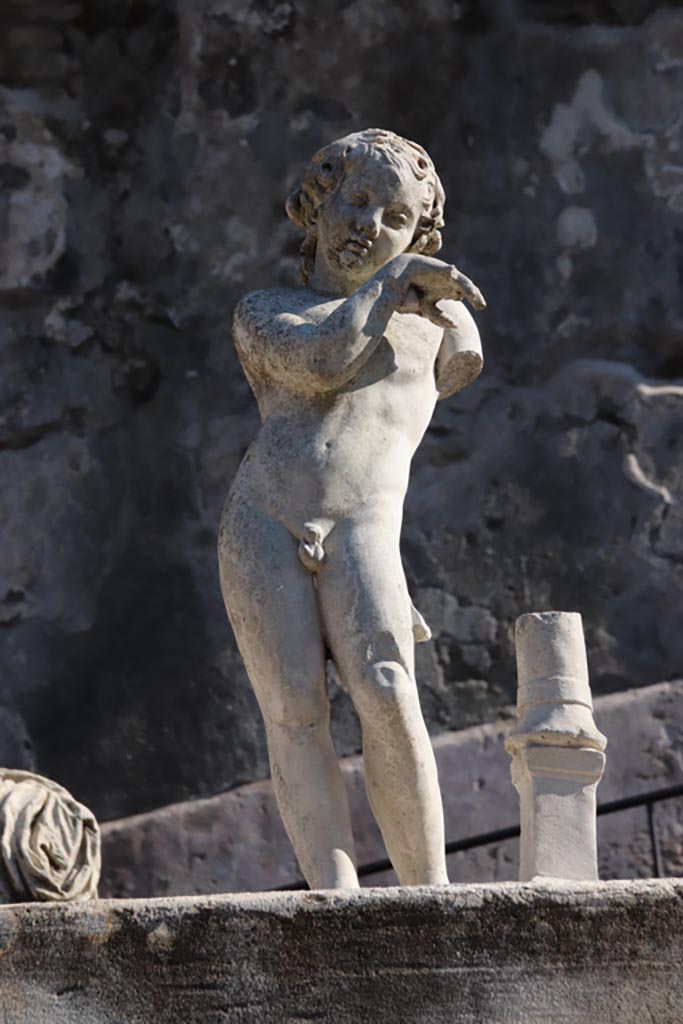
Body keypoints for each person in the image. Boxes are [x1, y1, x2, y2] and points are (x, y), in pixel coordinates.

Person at [218, 129, 485, 889]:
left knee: (389, 691)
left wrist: (414, 294)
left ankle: (429, 895)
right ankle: (334, 901)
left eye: (396, 218)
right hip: (262, 519)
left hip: (363, 524)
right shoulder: (267, 310)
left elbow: (464, 355)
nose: (369, 225)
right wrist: (394, 279)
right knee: (294, 712)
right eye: (357, 200)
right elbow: (323, 362)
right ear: (319, 204)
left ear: (420, 235)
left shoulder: (436, 331)